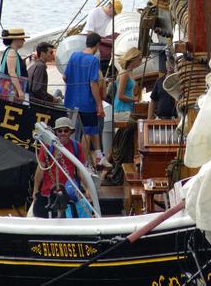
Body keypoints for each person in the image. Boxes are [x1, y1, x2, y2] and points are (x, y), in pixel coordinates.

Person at [63, 32, 110, 168]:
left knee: (87, 130)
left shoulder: (74, 56)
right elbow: (93, 83)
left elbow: (65, 77)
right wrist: (99, 104)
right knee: (88, 132)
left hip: (71, 102)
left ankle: (98, 156)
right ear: (97, 45)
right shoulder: (93, 60)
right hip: (87, 103)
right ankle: (82, 163)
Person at [32, 117, 85, 218]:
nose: (63, 133)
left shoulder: (76, 146)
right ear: (56, 132)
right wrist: (35, 190)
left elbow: (81, 170)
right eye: (59, 131)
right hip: (48, 192)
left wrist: (87, 189)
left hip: (69, 192)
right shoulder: (47, 146)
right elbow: (40, 169)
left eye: (66, 130)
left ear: (70, 132)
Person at [113, 47, 142, 121]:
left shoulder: (130, 73)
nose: (141, 62)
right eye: (140, 60)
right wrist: (134, 99)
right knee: (135, 126)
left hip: (127, 108)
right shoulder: (125, 74)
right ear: (133, 59)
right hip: (122, 108)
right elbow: (120, 96)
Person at [1, 28, 29, 101]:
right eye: (22, 39)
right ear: (16, 40)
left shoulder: (11, 51)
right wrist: (19, 91)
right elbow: (12, 72)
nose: (24, 41)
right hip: (13, 91)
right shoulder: (12, 52)